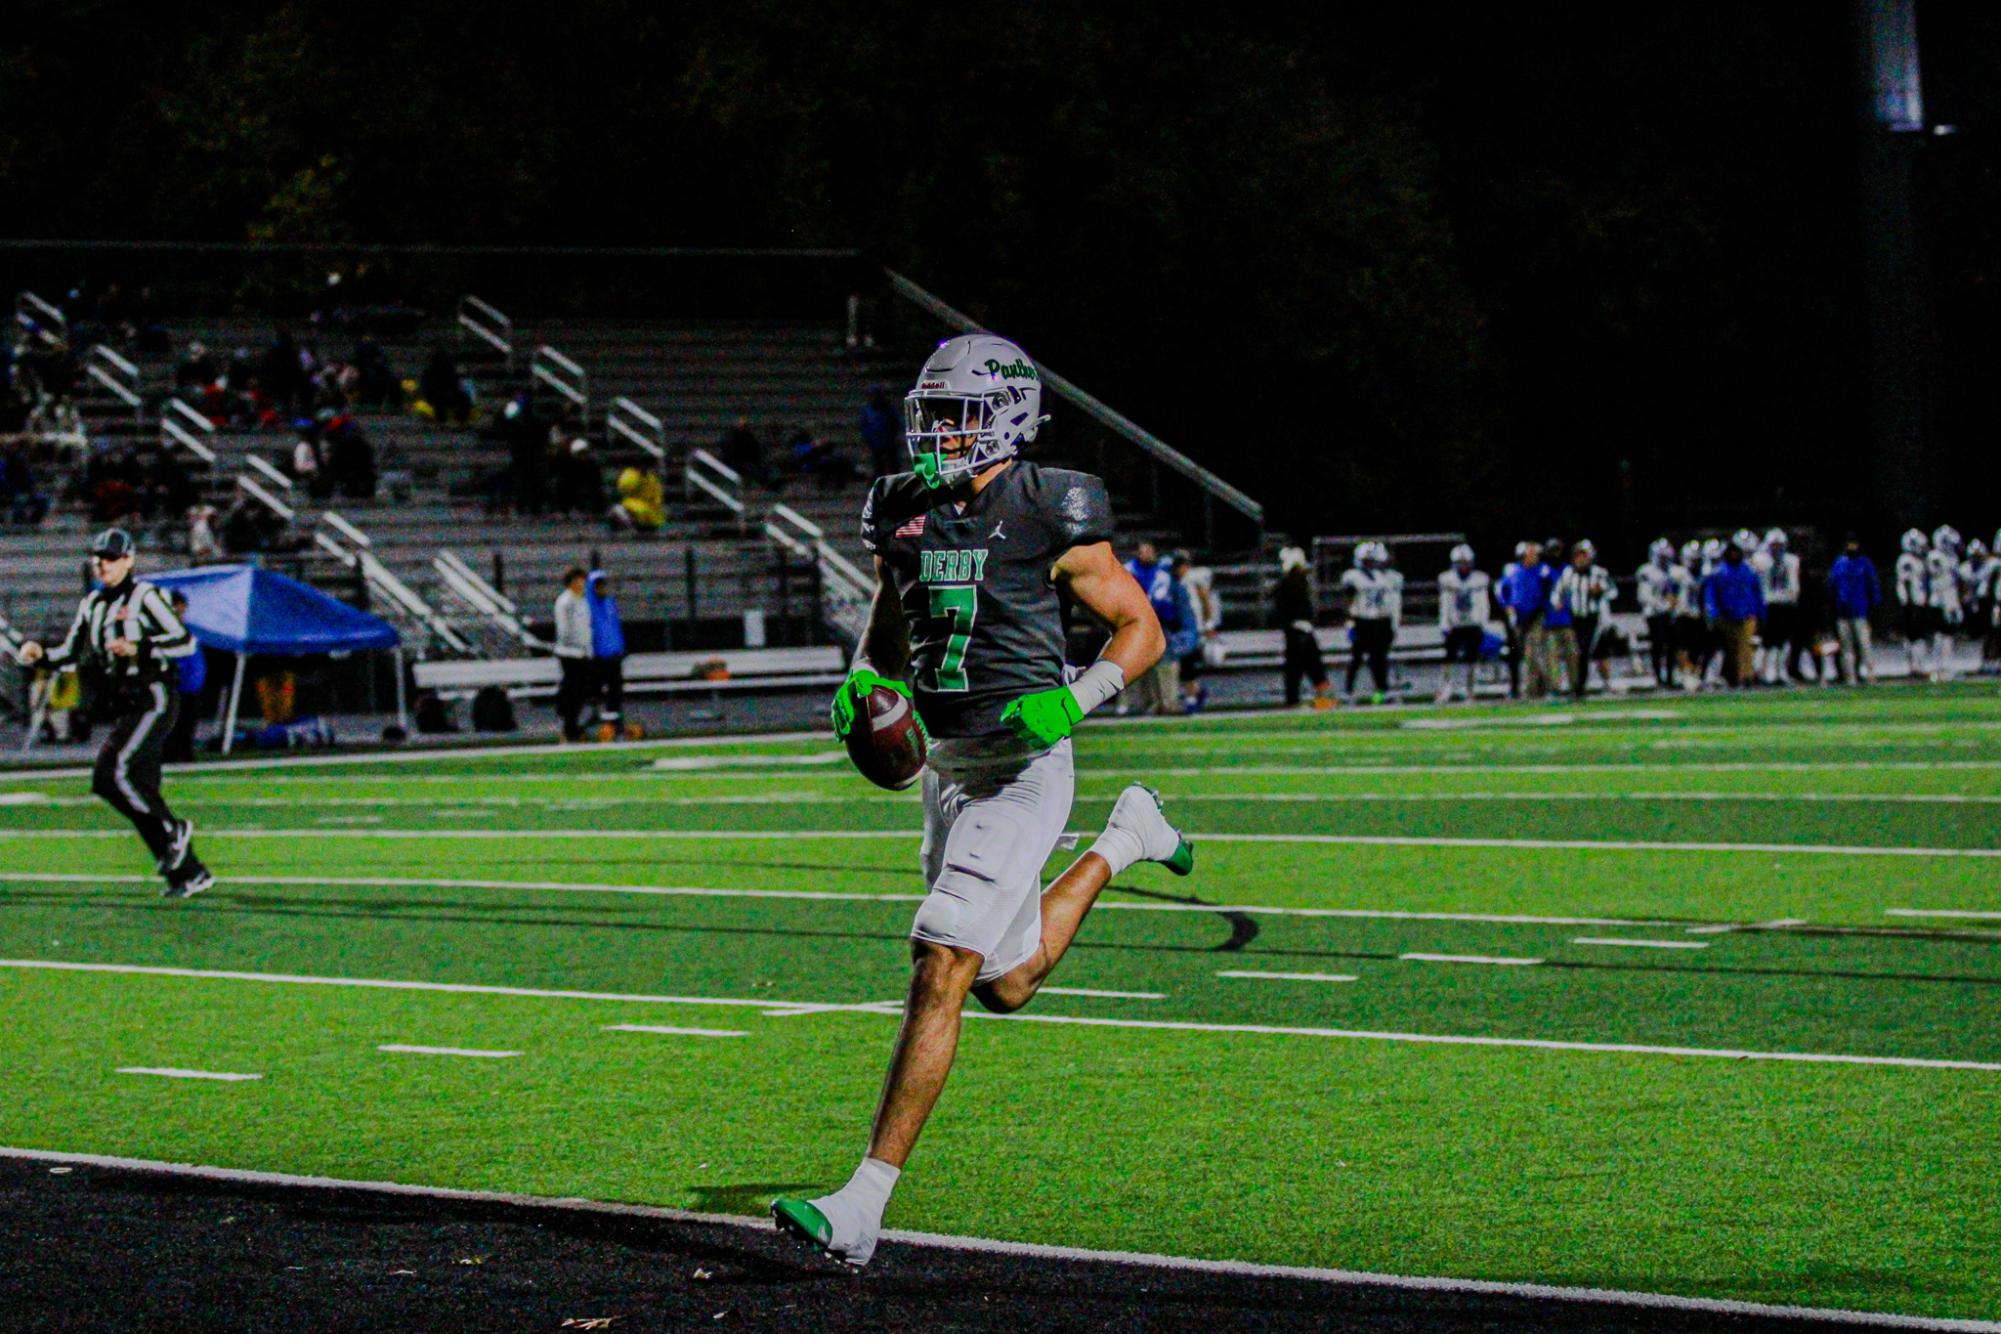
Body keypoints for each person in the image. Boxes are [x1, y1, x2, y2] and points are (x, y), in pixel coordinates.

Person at [771, 333, 1192, 1269]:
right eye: (932, 412)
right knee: (1003, 982)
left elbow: (1140, 628)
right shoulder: (903, 507)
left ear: (1005, 415)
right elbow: (890, 627)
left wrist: (1077, 696)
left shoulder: (1047, 506)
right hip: (946, 766)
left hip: (1022, 765)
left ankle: (862, 1204)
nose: (939, 430)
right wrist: (861, 681)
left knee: (940, 957)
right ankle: (1126, 838)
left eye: (957, 413)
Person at [15, 528, 213, 896]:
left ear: (128, 560)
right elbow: (70, 653)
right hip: (127, 702)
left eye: (109, 558)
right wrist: (39, 654)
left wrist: (139, 645)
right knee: (141, 787)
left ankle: (173, 830)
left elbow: (184, 641)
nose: (101, 565)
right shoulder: (92, 604)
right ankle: (189, 873)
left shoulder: (146, 596)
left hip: (154, 694)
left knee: (109, 775)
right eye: (97, 558)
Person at [1550, 539, 1616, 699]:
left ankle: (1580, 688)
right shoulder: (1568, 573)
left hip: (1595, 618)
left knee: (1585, 651)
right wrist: (1557, 602)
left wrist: (1600, 591)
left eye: (1584, 556)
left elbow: (1614, 592)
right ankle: (1578, 687)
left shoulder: (1599, 573)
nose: (1581, 559)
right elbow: (1557, 591)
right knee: (1579, 652)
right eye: (1578, 556)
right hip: (1575, 618)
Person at [1340, 541, 1400, 701]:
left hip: (1380, 620)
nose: (1370, 563)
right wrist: (1349, 623)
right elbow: (1348, 601)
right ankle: (1348, 690)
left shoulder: (1385, 577)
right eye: (1367, 560)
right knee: (1356, 657)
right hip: (1361, 620)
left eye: (1372, 560)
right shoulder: (1352, 577)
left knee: (1379, 658)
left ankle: (1382, 690)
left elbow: (1390, 601)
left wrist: (1392, 623)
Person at [1277, 545, 1334, 709]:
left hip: (1297, 629)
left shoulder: (1291, 583)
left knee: (1300, 666)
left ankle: (1301, 699)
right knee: (1306, 665)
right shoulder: (1292, 583)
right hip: (1299, 630)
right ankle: (1313, 699)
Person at [1703, 538, 1765, 688]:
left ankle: (1746, 677)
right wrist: (1714, 613)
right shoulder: (1718, 572)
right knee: (1731, 649)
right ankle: (1732, 676)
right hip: (1726, 617)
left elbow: (1757, 592)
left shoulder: (1749, 571)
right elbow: (1711, 595)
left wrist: (1760, 612)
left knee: (1745, 648)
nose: (1734, 555)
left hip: (1746, 615)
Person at [1752, 528, 1808, 683]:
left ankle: (1780, 671)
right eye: (1774, 545)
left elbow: (1795, 584)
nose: (1777, 548)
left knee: (1784, 641)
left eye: (1779, 545)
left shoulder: (1791, 561)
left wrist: (1794, 598)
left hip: (1786, 604)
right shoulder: (1761, 561)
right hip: (1769, 605)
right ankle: (1762, 672)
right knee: (1767, 642)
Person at [1435, 543, 1489, 703]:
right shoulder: (1447, 579)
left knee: (1471, 659)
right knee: (1448, 659)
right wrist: (1444, 623)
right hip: (1455, 624)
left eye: (1466, 562)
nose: (1464, 566)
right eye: (1460, 563)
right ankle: (1446, 689)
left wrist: (1483, 623)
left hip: (1473, 624)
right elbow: (1445, 603)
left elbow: (1483, 603)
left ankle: (1470, 690)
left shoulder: (1479, 579)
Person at [1826, 536, 1879, 685]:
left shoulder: (1864, 563)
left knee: (1864, 645)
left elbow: (1872, 585)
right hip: (1843, 612)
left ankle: (1870, 674)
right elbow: (1832, 585)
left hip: (1860, 610)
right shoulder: (1840, 563)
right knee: (1846, 647)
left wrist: (1873, 605)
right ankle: (1850, 677)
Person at [161, 590, 206, 762]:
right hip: (175, 685)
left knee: (187, 723)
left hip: (190, 686)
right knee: (173, 723)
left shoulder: (188, 631)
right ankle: (170, 753)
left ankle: (184, 752)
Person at [1496, 540, 1543, 699]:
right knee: (1514, 654)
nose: (1535, 556)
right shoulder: (1512, 570)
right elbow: (1501, 591)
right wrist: (1507, 606)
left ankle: (1533, 689)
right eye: (1531, 554)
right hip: (1516, 617)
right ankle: (1515, 687)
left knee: (1531, 654)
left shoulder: (1541, 571)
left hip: (1535, 616)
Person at [586, 570, 628, 739]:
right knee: (595, 693)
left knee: (615, 692)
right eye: (598, 585)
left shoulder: (610, 603)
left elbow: (615, 627)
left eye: (603, 584)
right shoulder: (588, 605)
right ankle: (595, 722)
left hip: (614, 655)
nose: (602, 588)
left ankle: (615, 722)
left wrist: (621, 647)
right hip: (597, 657)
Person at [553, 567, 592, 741]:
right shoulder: (565, 601)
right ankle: (569, 728)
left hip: (583, 653)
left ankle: (574, 726)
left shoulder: (583, 601)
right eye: (579, 580)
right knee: (572, 691)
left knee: (581, 691)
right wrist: (576, 648)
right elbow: (564, 630)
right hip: (569, 654)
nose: (582, 583)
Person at [1178, 552, 1220, 713]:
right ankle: (1195, 693)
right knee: (1184, 665)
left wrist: (1209, 625)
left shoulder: (1194, 579)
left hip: (1195, 628)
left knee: (1188, 663)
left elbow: (1205, 602)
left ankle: (1191, 697)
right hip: (1183, 628)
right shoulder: (1175, 581)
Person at [1636, 538, 1679, 688]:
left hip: (1670, 613)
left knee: (1672, 645)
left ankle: (1670, 677)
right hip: (1654, 613)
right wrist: (1663, 604)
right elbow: (1643, 596)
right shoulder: (1646, 571)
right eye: (1661, 556)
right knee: (1658, 644)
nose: (1664, 559)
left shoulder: (1675, 571)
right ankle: (1659, 677)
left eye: (1666, 556)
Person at [1926, 524, 1964, 682]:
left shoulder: (1950, 557)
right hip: (1940, 600)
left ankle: (1945, 667)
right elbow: (1941, 582)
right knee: (1942, 635)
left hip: (1949, 599)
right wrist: (1949, 604)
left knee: (1947, 635)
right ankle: (1938, 668)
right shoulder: (1936, 557)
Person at [1894, 528, 1931, 679]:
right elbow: (1906, 581)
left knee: (1916, 637)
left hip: (1917, 601)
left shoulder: (1917, 560)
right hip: (1912, 603)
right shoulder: (1906, 560)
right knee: (1915, 636)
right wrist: (1910, 603)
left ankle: (1916, 667)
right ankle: (1915, 667)